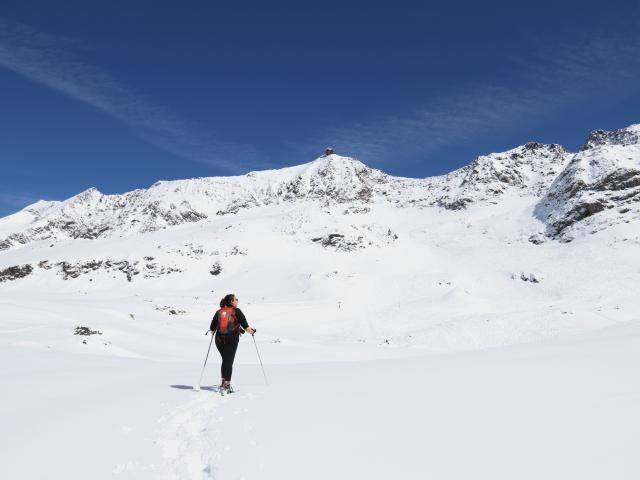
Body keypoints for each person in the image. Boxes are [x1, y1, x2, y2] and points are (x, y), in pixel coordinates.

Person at [209, 294, 255, 392]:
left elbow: (212, 328)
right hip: (231, 339)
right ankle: (226, 385)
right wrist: (252, 331)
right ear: (231, 301)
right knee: (228, 361)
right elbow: (246, 327)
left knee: (225, 360)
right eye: (236, 299)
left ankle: (223, 383)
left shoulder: (219, 311)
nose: (237, 301)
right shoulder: (236, 311)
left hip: (219, 339)